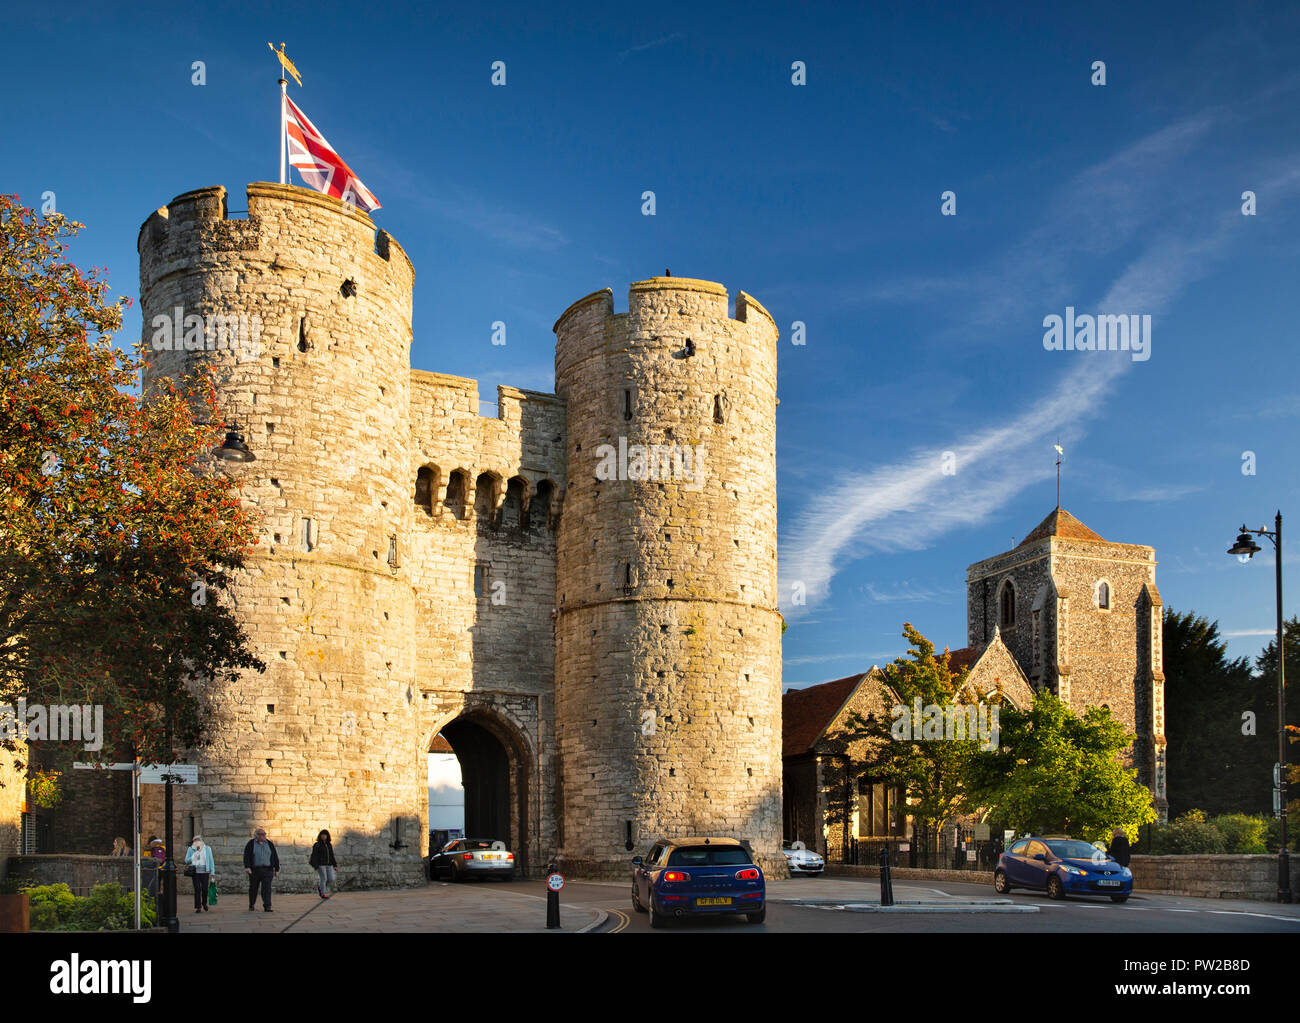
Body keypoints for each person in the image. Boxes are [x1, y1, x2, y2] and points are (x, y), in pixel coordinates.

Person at [242, 827, 280, 912]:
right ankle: (251, 904)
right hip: (255, 870)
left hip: (267, 870)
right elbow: (246, 856)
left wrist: (277, 869)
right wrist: (247, 867)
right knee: (253, 888)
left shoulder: (269, 844)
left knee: (267, 889)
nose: (263, 836)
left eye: (264, 834)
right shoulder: (251, 844)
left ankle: (267, 906)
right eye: (261, 834)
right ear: (256, 836)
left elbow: (274, 856)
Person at [184, 836, 216, 913]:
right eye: (194, 841)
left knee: (205, 889)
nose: (196, 842)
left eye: (197, 841)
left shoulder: (207, 849)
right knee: (197, 889)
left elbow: (211, 861)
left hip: (205, 871)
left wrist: (212, 872)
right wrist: (194, 856)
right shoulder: (191, 849)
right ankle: (198, 907)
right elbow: (186, 860)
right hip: (195, 872)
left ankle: (204, 903)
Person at [309, 829, 338, 899]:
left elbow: (331, 855)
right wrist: (316, 865)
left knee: (331, 878)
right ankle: (323, 893)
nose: (324, 836)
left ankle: (321, 888)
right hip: (321, 865)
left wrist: (335, 865)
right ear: (320, 836)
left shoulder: (329, 845)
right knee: (323, 878)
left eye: (325, 835)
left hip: (329, 864)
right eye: (322, 835)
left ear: (327, 836)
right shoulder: (317, 845)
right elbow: (314, 855)